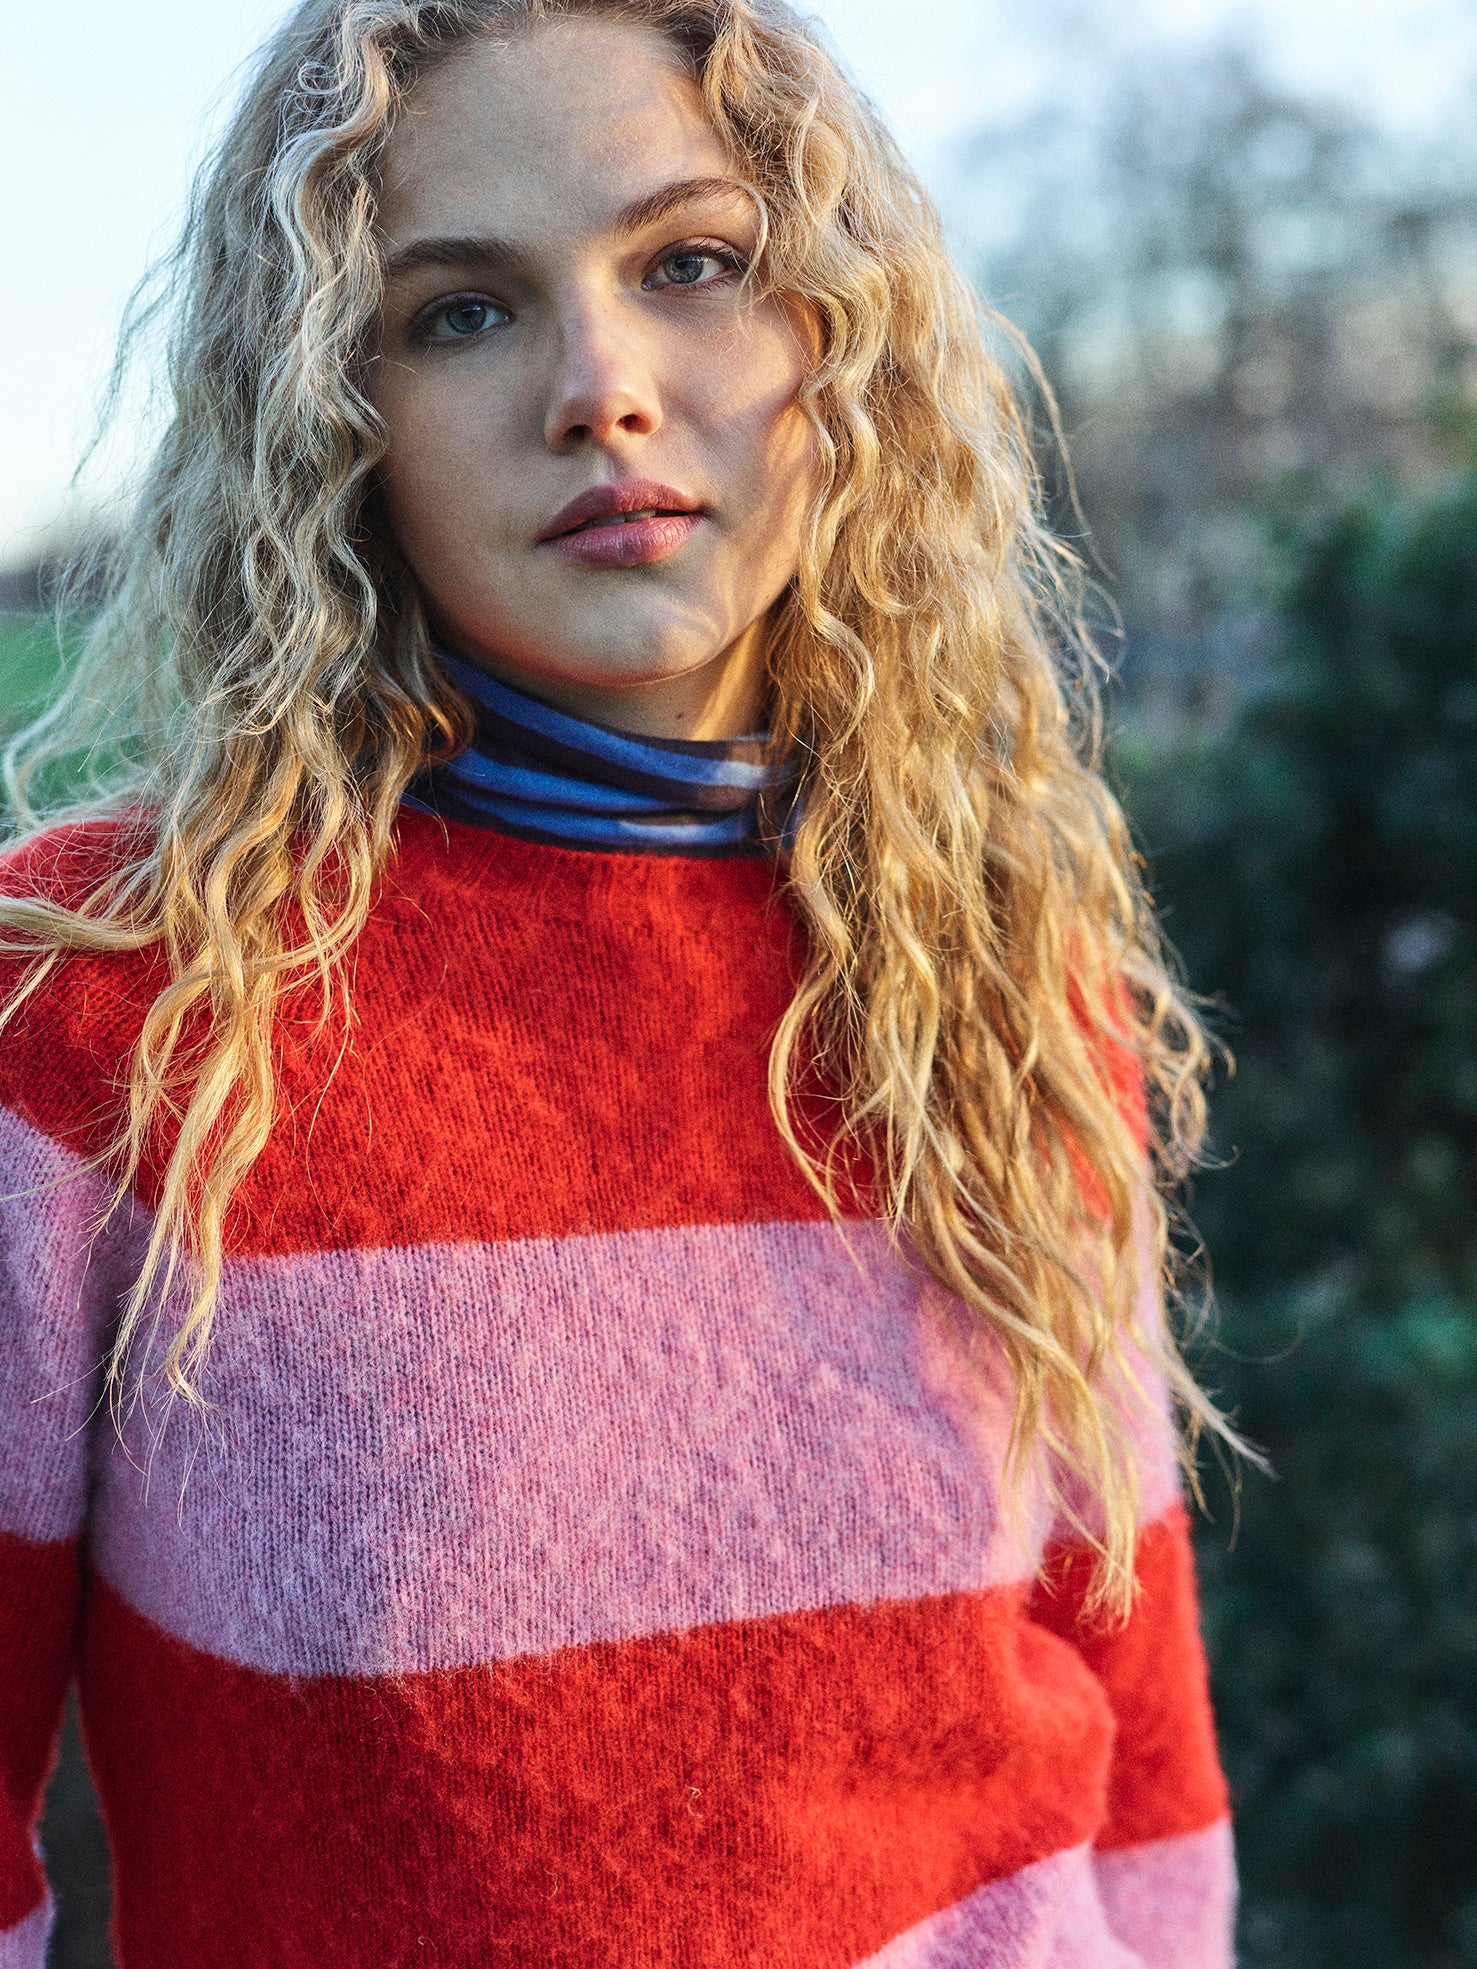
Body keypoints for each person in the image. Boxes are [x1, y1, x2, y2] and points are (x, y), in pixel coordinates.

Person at [0, 0, 1238, 1962]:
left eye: (693, 265)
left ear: (841, 327)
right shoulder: (104, 1008)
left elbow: (1141, 1746)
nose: (601, 385)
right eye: (460, 312)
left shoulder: (999, 967)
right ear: (335, 406)